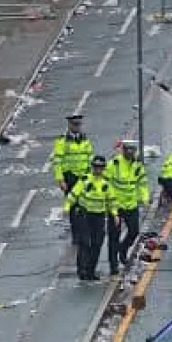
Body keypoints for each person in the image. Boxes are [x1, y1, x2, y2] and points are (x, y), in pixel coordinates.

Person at [65, 155, 116, 281]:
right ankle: (82, 270)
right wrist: (66, 208)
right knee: (85, 243)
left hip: (99, 216)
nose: (98, 170)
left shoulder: (106, 183)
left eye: (100, 167)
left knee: (97, 243)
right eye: (95, 167)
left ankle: (91, 271)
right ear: (92, 167)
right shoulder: (85, 180)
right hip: (85, 214)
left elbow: (112, 200)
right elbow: (73, 194)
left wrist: (114, 214)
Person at [105, 140, 149, 275]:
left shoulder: (137, 166)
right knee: (114, 236)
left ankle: (123, 249)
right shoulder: (114, 164)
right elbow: (106, 183)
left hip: (131, 204)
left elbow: (142, 184)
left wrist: (145, 198)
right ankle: (113, 265)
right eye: (127, 149)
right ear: (123, 150)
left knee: (134, 232)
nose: (130, 152)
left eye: (132, 150)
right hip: (115, 206)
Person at [51, 114, 94, 245]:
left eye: (79, 124)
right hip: (70, 177)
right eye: (74, 124)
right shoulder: (62, 141)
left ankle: (84, 233)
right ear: (69, 125)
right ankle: (76, 235)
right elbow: (57, 162)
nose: (77, 127)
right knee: (73, 207)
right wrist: (60, 180)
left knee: (85, 206)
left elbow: (90, 157)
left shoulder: (85, 139)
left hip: (84, 177)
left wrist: (92, 176)